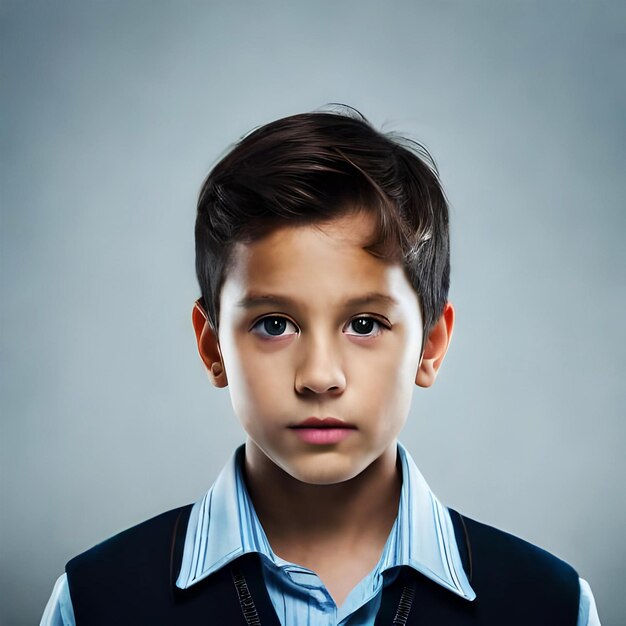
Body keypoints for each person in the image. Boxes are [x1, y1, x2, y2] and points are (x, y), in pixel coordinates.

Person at [41, 107, 601, 625]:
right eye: (274, 324)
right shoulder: (96, 601)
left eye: (364, 325)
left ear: (430, 346)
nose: (319, 377)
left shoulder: (549, 604)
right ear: (212, 347)